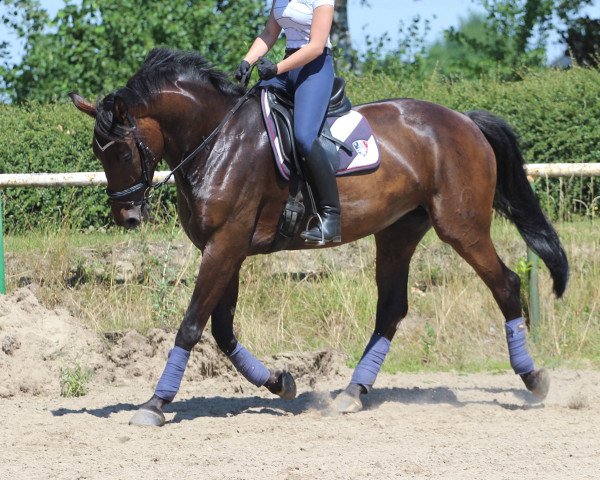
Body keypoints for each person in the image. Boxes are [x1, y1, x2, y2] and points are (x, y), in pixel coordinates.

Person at [235, 0, 341, 244]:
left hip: (315, 67)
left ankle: (331, 217)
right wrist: (247, 61)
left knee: (304, 137)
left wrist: (276, 68)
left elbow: (315, 46)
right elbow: (270, 33)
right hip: (286, 65)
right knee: (247, 112)